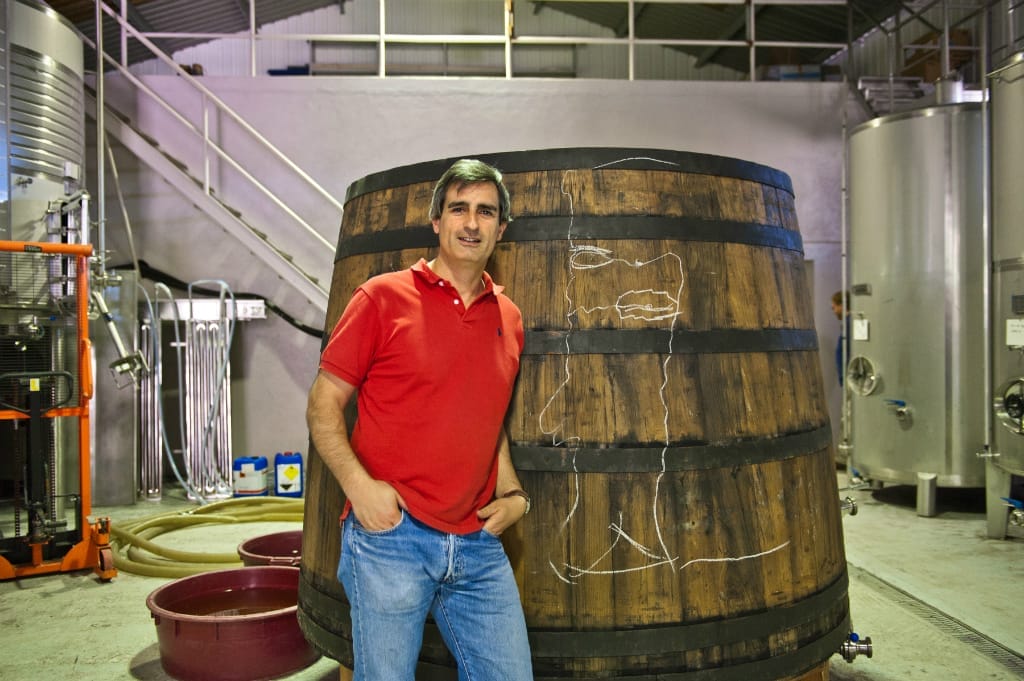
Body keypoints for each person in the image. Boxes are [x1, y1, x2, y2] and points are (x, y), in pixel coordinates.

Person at [306, 158, 533, 681]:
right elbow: (323, 403)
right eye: (458, 209)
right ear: (436, 221)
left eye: (486, 212)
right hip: (393, 539)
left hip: (477, 543)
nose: (471, 223)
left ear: (501, 228)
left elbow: (487, 416)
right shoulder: (382, 297)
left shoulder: (509, 317)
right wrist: (360, 488)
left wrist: (514, 493)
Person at [831, 290, 850, 386]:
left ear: (842, 305)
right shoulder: (847, 323)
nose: (834, 312)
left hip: (849, 377)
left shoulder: (849, 323)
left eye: (834, 308)